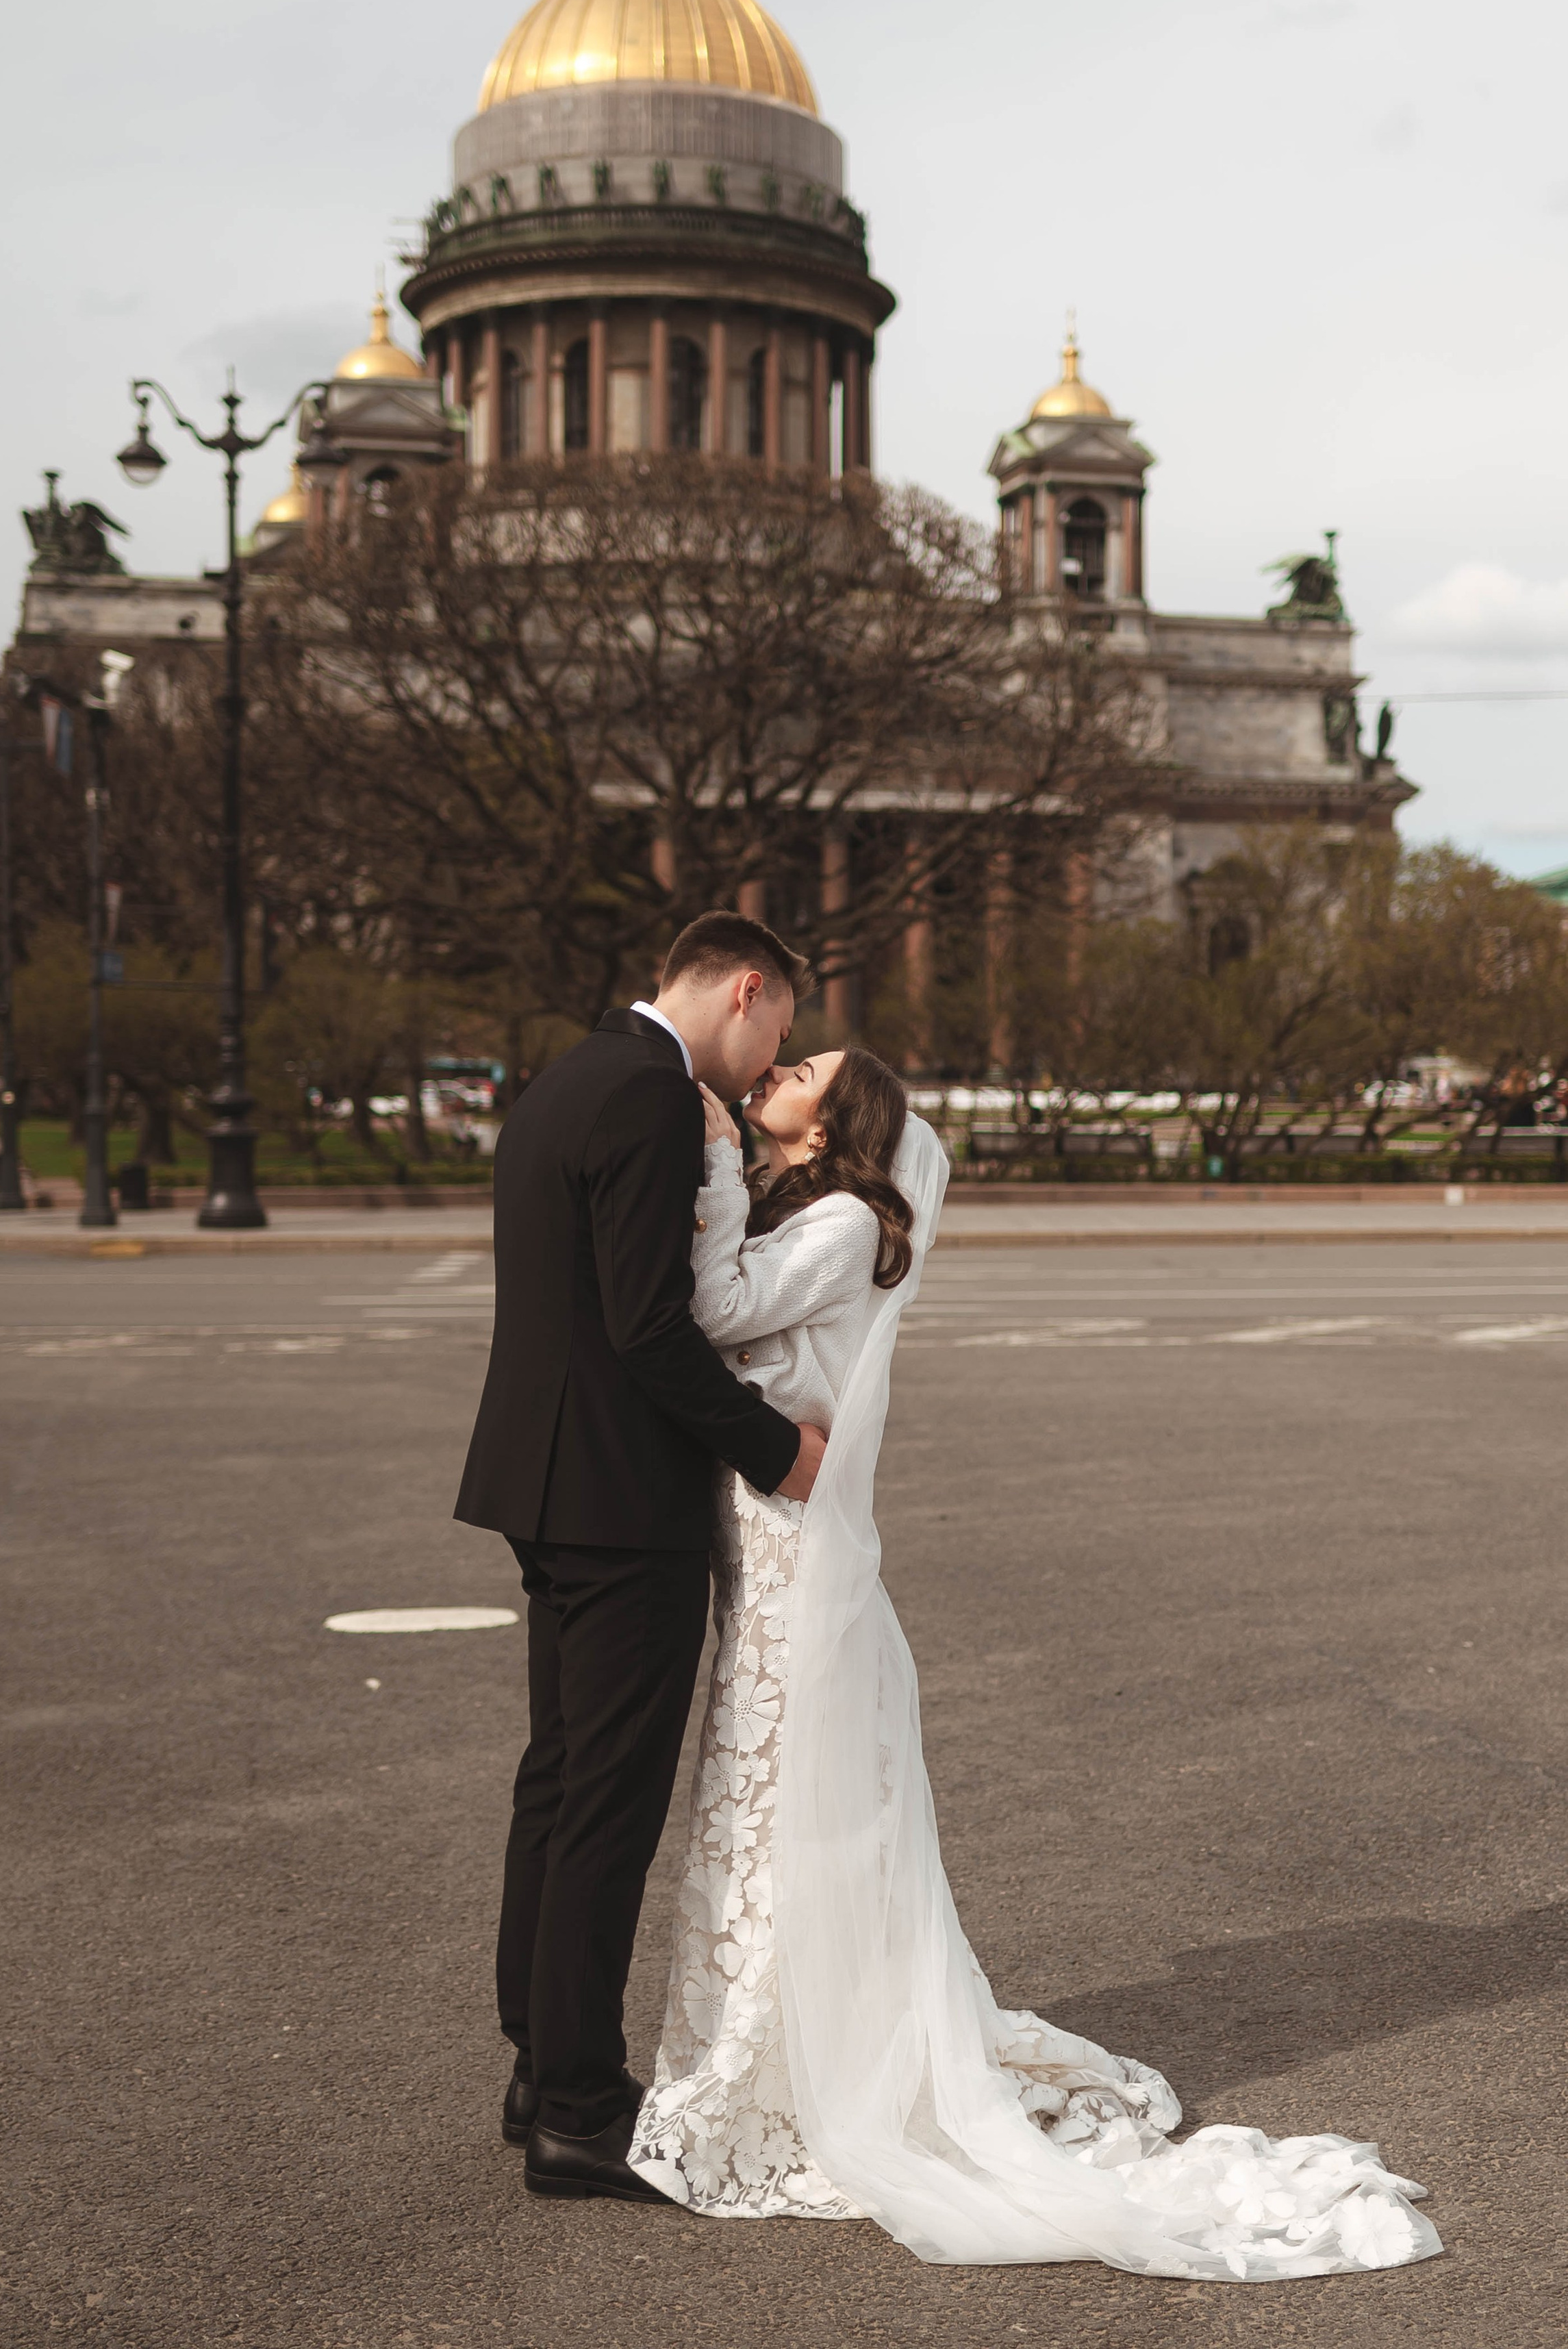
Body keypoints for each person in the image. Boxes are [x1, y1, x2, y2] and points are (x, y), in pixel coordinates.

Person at [629, 1046, 1443, 2283]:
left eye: (803, 1069)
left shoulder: (842, 1222)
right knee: (765, 1788)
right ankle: (776, 2030)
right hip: (770, 1524)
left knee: (780, 1789)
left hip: (798, 1542)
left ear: (830, 1124)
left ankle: (791, 2051)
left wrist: (713, 1168)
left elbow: (725, 1312)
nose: (780, 1067)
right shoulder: (814, 1210)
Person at [457, 912, 829, 2206]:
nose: (772, 1055)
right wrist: (775, 1449)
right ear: (746, 990)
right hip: (622, 1497)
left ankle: (538, 2063)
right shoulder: (655, 1097)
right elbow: (649, 1325)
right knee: (607, 1806)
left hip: (543, 1477)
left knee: (560, 1781)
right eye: (782, 1028)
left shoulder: (571, 1075)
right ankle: (577, 2108)